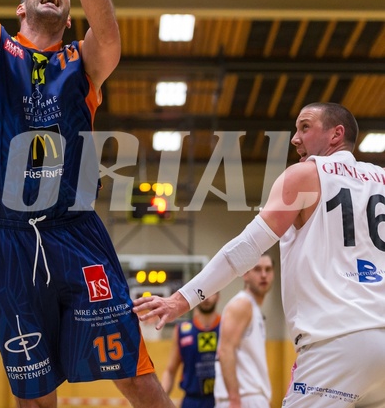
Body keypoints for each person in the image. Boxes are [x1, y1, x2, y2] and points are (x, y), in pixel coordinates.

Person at [0, 0, 174, 407]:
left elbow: (108, 35)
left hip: (75, 231)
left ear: (70, 19)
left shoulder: (83, 62)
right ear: (19, 9)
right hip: (7, 236)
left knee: (133, 370)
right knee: (35, 389)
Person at [133, 102, 385, 407]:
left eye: (305, 127)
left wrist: (180, 299)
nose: (295, 138)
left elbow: (246, 247)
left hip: (336, 346)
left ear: (336, 134)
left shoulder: (306, 174)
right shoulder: (381, 180)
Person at [214, 255, 273, 408]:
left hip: (249, 398)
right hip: (243, 399)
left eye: (268, 269)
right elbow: (225, 351)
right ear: (245, 274)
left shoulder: (253, 307)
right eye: (257, 269)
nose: (264, 275)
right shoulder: (242, 304)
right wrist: (234, 399)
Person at [160, 293, 221, 408]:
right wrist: (160, 401)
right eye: (203, 292)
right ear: (195, 297)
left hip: (221, 400)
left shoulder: (227, 327)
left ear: (218, 296)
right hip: (192, 401)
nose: (207, 297)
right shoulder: (182, 330)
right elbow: (170, 371)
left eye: (212, 292)